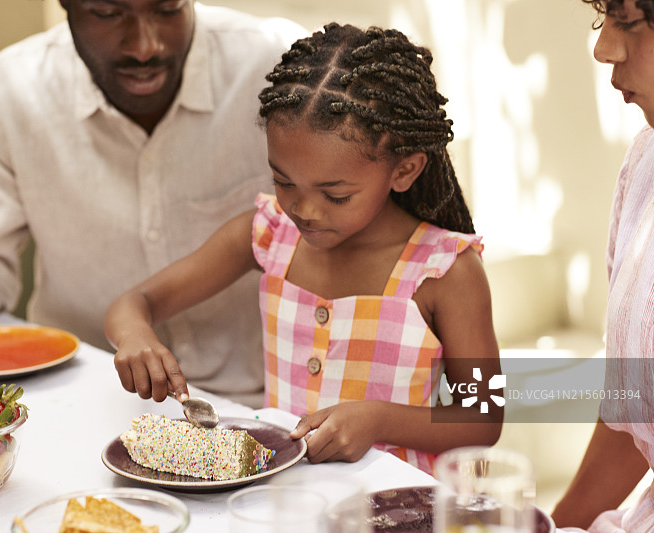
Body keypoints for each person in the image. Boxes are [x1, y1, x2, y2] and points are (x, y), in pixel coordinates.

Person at [105, 23, 503, 474]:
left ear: (405, 170)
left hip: (396, 506)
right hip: (283, 499)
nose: (304, 209)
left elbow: (483, 419)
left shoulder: (444, 270)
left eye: (335, 195)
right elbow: (132, 304)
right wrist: (136, 336)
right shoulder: (269, 233)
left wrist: (378, 419)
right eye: (284, 181)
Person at [0, 1, 306, 405]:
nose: (145, 46)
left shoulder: (277, 68)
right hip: (88, 402)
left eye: (167, 8)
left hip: (263, 405)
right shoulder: (15, 89)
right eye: (107, 12)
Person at [551, 0, 654, 530]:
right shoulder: (645, 166)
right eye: (603, 19)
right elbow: (635, 409)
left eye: (629, 21)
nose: (603, 49)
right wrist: (555, 524)